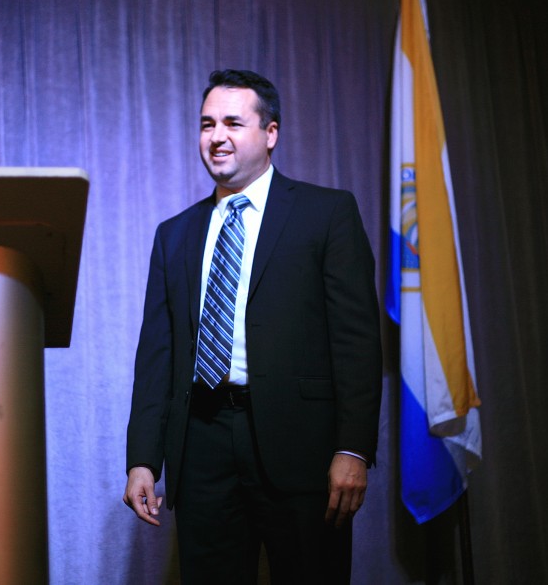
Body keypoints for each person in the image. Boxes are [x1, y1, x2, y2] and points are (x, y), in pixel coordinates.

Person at [123, 69, 383, 583]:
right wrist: (142, 460)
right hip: (201, 446)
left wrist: (352, 448)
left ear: (270, 133)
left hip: (302, 448)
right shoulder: (173, 235)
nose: (216, 136)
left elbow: (356, 342)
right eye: (206, 123)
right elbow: (157, 354)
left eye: (233, 123)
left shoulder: (326, 213)